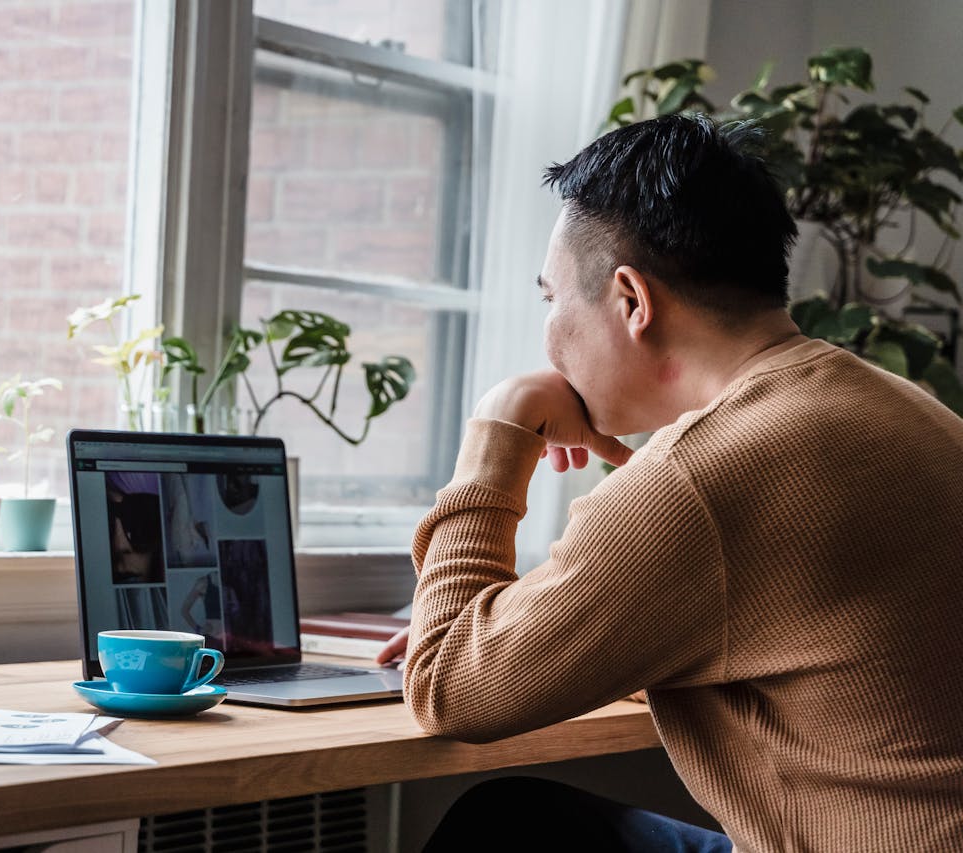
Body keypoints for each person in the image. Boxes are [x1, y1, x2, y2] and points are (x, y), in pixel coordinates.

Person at [376, 114, 963, 851]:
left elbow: (447, 686)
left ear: (631, 300)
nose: (548, 337)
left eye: (552, 300)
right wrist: (533, 626)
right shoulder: (907, 409)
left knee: (507, 829)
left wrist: (502, 422)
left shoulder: (699, 477)